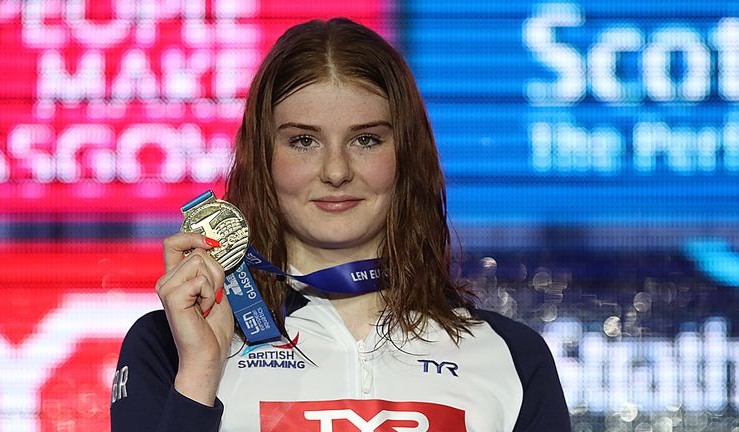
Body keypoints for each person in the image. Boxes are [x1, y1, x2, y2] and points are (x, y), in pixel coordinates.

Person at [110, 17, 571, 432]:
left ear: (406, 156)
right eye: (304, 141)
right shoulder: (170, 347)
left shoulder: (511, 356)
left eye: (366, 140)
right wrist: (200, 373)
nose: (335, 171)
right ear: (262, 158)